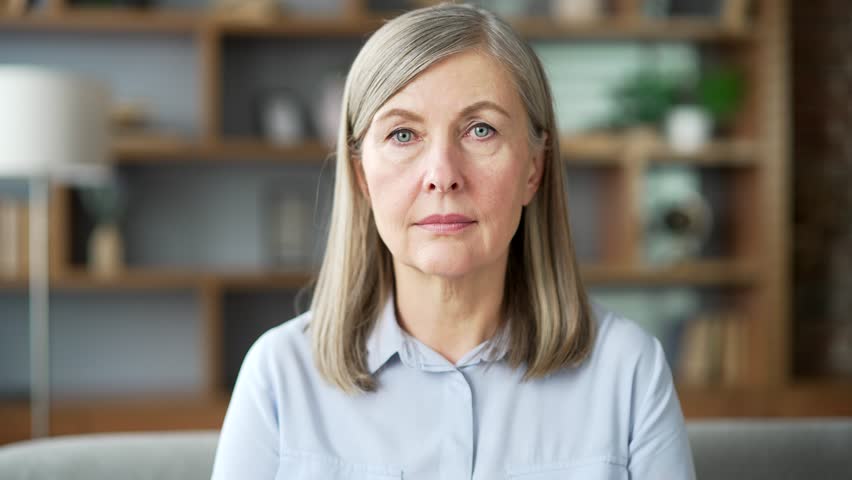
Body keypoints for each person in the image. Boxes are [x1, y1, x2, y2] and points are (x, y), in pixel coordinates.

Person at [211, 3, 696, 479]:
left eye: (480, 130)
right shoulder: (279, 375)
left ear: (534, 168)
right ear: (362, 176)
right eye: (403, 134)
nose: (442, 176)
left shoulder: (628, 371)